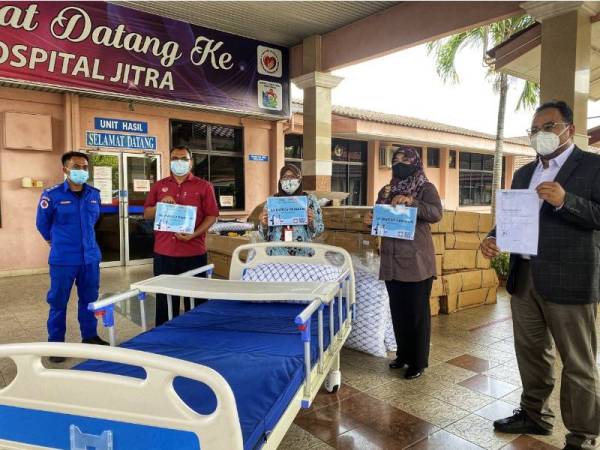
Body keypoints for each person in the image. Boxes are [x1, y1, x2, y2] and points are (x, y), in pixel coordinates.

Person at [481, 101, 600, 450]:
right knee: (531, 352)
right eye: (535, 129)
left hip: (570, 278)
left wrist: (567, 201)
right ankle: (535, 414)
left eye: (548, 127)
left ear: (569, 130)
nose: (540, 135)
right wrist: (493, 237)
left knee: (577, 362)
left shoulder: (593, 167)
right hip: (525, 276)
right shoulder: (523, 173)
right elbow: (512, 216)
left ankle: (582, 435)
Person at [365, 148, 442, 379]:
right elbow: (380, 217)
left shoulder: (425, 188)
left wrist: (413, 202)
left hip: (416, 261)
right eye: (395, 160)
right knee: (398, 312)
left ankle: (418, 362)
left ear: (416, 163)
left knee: (416, 314)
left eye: (405, 160)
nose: (400, 164)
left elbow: (437, 213)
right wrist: (370, 219)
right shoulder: (386, 190)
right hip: (391, 260)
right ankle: (403, 355)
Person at [36, 151, 108, 363]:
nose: (81, 171)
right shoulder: (52, 195)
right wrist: (54, 241)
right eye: (76, 167)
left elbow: (94, 222)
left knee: (89, 300)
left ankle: (90, 337)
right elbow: (42, 224)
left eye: (85, 167)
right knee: (58, 301)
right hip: (63, 259)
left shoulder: (94, 194)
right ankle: (56, 343)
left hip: (90, 258)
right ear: (65, 169)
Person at [144, 146, 219, 326]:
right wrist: (161, 205)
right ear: (170, 161)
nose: (179, 162)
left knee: (195, 299)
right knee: (165, 299)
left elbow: (212, 216)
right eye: (175, 158)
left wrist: (194, 234)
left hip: (193, 253)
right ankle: (165, 336)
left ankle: (196, 335)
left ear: (190, 162)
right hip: (164, 253)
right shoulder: (159, 186)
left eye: (184, 158)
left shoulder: (204, 186)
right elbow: (147, 213)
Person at [259, 164, 324, 255]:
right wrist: (264, 224)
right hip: (277, 255)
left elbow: (319, 230)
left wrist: (311, 222)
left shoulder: (309, 200)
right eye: (285, 177)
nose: (289, 180)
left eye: (292, 177)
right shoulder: (273, 201)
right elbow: (264, 236)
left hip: (303, 255)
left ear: (299, 180)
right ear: (280, 181)